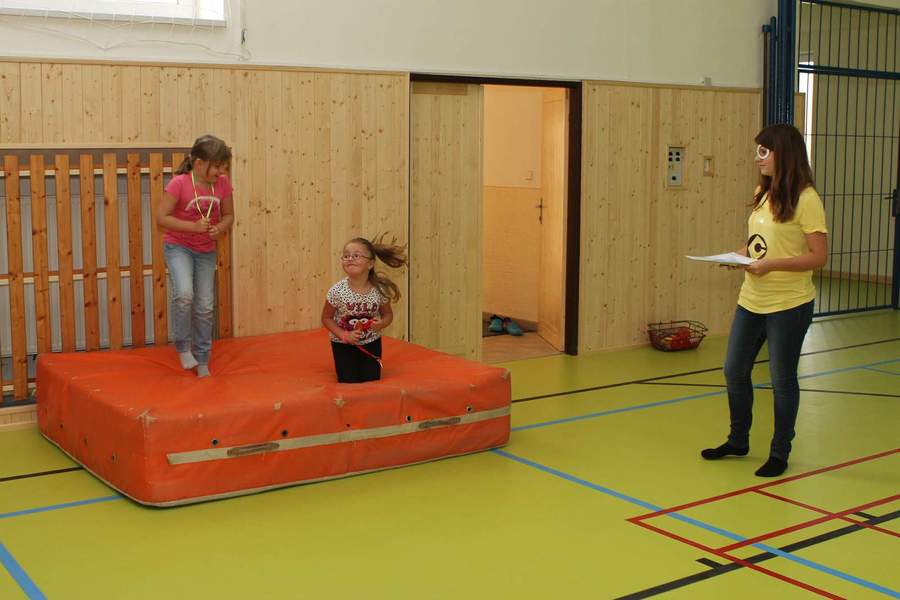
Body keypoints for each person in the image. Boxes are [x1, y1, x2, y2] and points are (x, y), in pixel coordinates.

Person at [701, 124, 828, 477]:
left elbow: (818, 256)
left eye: (763, 151)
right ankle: (738, 440)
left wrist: (771, 265)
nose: (757, 158)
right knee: (734, 369)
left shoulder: (807, 199)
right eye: (757, 151)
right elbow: (758, 244)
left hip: (789, 304)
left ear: (782, 154)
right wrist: (738, 257)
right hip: (751, 300)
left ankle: (779, 452)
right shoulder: (763, 192)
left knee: (782, 379)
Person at [156, 135, 234, 377]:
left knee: (205, 306)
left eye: (224, 167)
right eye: (217, 167)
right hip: (179, 247)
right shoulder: (179, 184)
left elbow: (229, 215)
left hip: (205, 251)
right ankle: (182, 346)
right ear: (199, 164)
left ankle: (202, 358)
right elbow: (161, 218)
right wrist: (193, 227)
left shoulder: (222, 184)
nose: (221, 172)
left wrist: (220, 228)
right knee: (184, 294)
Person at [322, 234, 408, 383]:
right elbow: (326, 318)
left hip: (371, 343)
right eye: (346, 256)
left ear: (370, 264)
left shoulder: (379, 290)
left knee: (371, 381)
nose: (350, 259)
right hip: (343, 344)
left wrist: (381, 323)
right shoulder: (337, 291)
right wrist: (344, 335)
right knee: (348, 382)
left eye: (356, 255)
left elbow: (387, 314)